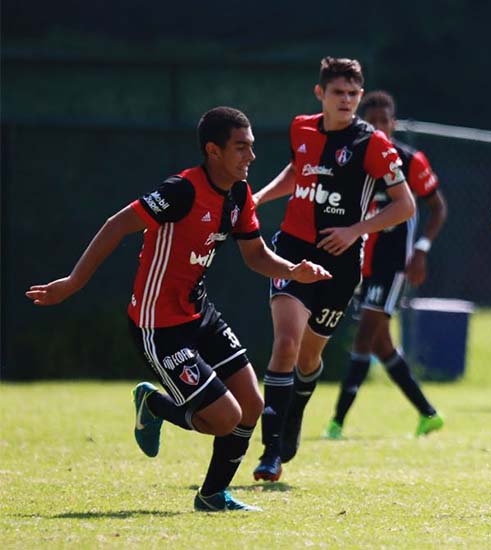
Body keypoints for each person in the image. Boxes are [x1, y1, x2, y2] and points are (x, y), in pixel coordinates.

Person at [25, 107, 332, 511]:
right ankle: (155, 405)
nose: (251, 157)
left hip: (199, 313)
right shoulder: (181, 190)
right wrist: (74, 282)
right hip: (158, 325)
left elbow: (256, 255)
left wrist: (293, 270)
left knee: (252, 405)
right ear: (213, 151)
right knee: (225, 418)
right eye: (241, 148)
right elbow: (117, 224)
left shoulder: (239, 194)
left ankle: (211, 496)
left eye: (252, 147)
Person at [251, 58, 416, 481]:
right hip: (291, 249)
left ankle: (295, 413)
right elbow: (298, 172)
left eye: (352, 94)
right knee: (286, 344)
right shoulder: (301, 128)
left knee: (308, 358)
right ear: (319, 93)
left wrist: (354, 230)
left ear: (360, 97)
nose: (345, 100)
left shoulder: (374, 144)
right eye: (337, 92)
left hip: (340, 266)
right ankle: (270, 452)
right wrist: (258, 199)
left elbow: (405, 206)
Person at [324, 90, 448, 439]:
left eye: (384, 121)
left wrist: (421, 249)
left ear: (393, 124)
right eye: (372, 121)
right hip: (359, 263)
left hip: (391, 265)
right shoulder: (354, 160)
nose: (379, 128)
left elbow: (438, 207)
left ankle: (337, 422)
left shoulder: (409, 162)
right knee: (381, 345)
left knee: (364, 337)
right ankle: (428, 413)